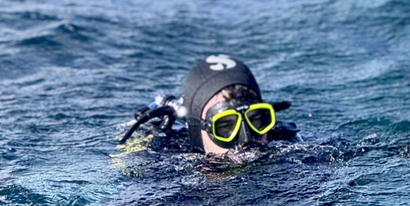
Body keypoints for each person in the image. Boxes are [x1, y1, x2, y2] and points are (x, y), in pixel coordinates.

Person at [119, 55, 298, 157]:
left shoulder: (290, 146)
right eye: (226, 126)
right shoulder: (164, 162)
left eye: (257, 120)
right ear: (199, 130)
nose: (246, 138)